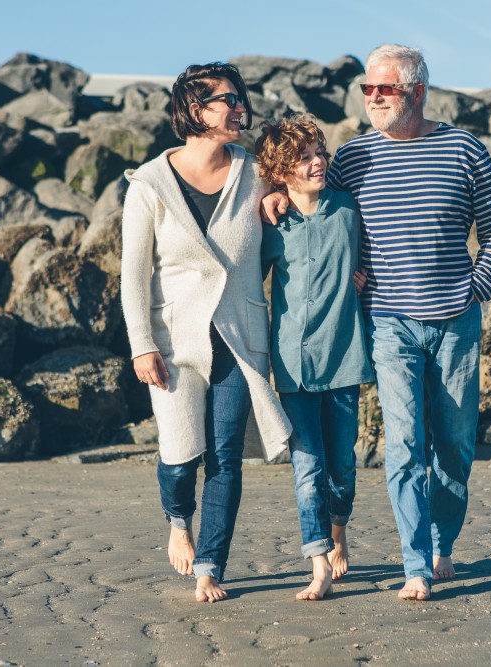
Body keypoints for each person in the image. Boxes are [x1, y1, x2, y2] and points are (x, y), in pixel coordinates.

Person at [264, 44, 491, 600]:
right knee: (403, 444)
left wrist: (476, 288)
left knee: (454, 445)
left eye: (386, 88)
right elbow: (309, 198)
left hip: (456, 321)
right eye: (367, 89)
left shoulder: (463, 149)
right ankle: (415, 566)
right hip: (386, 322)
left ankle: (441, 542)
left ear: (418, 91)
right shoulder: (354, 157)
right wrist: (271, 197)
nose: (374, 97)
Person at [121, 62, 292, 603]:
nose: (240, 108)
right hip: (174, 339)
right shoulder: (149, 184)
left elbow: (304, 192)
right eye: (227, 100)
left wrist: (279, 195)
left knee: (224, 457)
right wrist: (141, 345)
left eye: (241, 99)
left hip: (240, 335)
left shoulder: (256, 172)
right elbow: (133, 273)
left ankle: (210, 565)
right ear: (195, 111)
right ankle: (178, 520)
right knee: (179, 457)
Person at [255, 116, 374, 601]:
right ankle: (319, 562)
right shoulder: (272, 223)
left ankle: (339, 529)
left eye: (319, 152)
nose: (318, 162)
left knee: (342, 467)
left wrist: (362, 277)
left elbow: (379, 256)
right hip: (292, 365)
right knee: (307, 467)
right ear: (281, 172)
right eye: (303, 158)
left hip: (343, 357)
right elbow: (247, 284)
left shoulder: (348, 209)